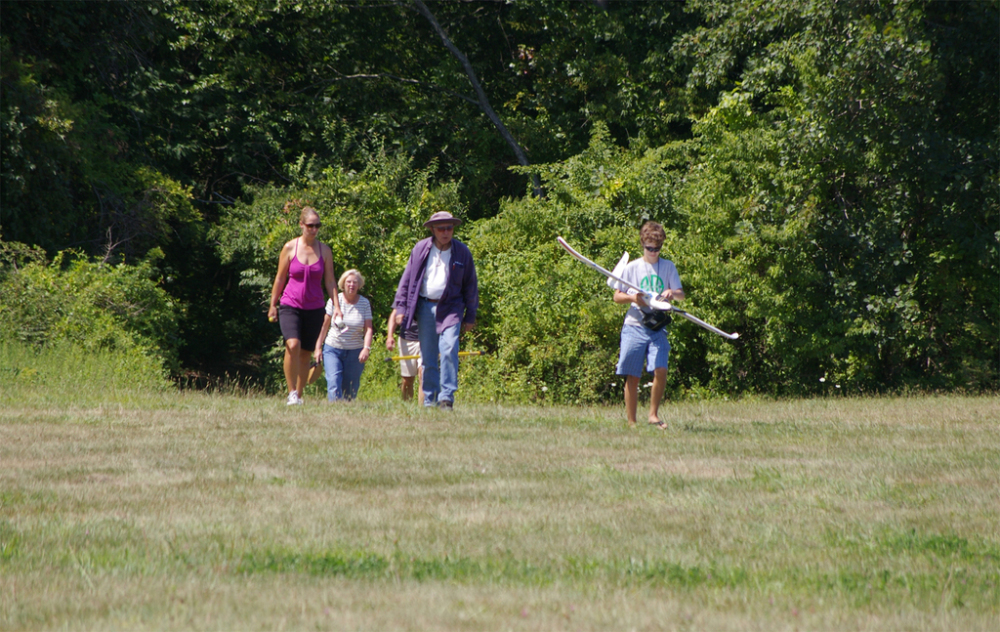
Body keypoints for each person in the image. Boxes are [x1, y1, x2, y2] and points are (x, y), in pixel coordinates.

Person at [392, 210, 478, 410]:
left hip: (452, 307)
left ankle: (447, 398)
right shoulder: (421, 248)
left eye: (449, 228)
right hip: (425, 306)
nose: (446, 232)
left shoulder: (462, 252)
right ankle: (430, 399)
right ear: (432, 229)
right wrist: (401, 307)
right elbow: (407, 279)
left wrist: (470, 316)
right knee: (429, 356)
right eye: (441, 228)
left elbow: (471, 286)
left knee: (449, 349)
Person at [612, 221, 685, 429]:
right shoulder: (632, 267)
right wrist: (634, 298)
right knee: (633, 374)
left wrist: (672, 293)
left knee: (660, 368)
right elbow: (617, 296)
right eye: (649, 248)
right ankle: (632, 422)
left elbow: (681, 294)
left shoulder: (668, 266)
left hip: (657, 327)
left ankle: (653, 415)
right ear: (643, 245)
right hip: (634, 325)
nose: (653, 252)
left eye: (657, 249)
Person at [268, 207, 342, 406]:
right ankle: (291, 392)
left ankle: (299, 395)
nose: (314, 229)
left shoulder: (325, 251)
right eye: (310, 225)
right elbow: (280, 277)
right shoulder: (290, 247)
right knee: (292, 345)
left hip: (315, 306)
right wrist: (272, 304)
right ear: (301, 225)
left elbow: (330, 281)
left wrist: (337, 306)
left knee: (305, 353)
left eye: (317, 226)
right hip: (290, 304)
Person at [316, 269, 373, 401]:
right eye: (348, 282)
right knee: (334, 381)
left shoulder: (364, 303)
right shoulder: (335, 301)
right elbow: (325, 325)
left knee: (350, 388)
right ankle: (334, 412)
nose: (351, 285)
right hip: (333, 349)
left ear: (359, 285)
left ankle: (347, 414)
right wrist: (318, 347)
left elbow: (368, 328)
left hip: (355, 351)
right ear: (343, 284)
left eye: (354, 282)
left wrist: (366, 348)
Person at [386, 307, 422, 401]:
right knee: (407, 380)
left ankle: (423, 411)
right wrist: (390, 336)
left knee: (424, 375)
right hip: (407, 339)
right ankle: (407, 407)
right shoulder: (406, 293)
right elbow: (395, 313)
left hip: (426, 339)